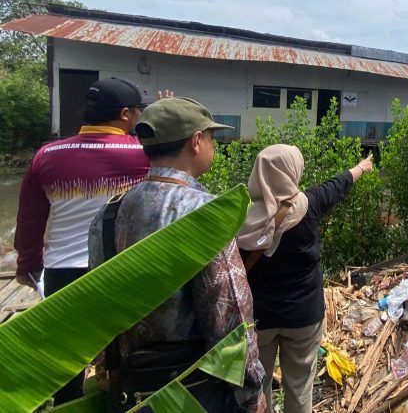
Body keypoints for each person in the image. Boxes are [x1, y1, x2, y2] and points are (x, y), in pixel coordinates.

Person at [87, 97, 266, 412]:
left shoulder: (107, 213)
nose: (213, 144)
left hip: (131, 389)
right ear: (196, 141)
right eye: (211, 137)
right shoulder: (204, 212)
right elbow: (230, 318)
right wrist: (252, 394)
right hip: (191, 390)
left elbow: (99, 309)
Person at [14, 77, 150, 404]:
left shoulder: (47, 155)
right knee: (126, 356)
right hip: (121, 270)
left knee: (66, 365)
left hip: (62, 275)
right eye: (137, 112)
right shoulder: (142, 154)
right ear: (125, 114)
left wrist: (28, 267)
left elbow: (30, 222)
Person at [238, 145, 373, 413]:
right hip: (303, 317)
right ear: (292, 171)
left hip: (258, 319)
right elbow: (339, 184)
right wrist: (362, 167)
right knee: (300, 391)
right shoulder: (309, 204)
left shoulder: (239, 219)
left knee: (258, 390)